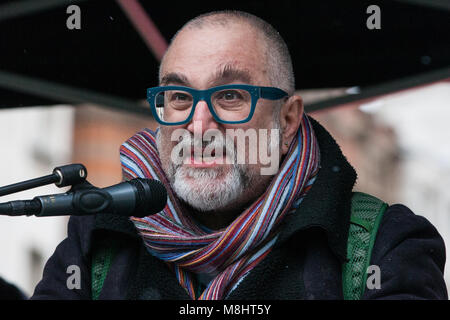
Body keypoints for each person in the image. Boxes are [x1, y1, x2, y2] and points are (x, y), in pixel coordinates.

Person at [31, 10, 447, 300]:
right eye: (178, 96)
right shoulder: (97, 240)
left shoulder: (383, 246)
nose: (198, 125)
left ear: (287, 120)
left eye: (230, 96)